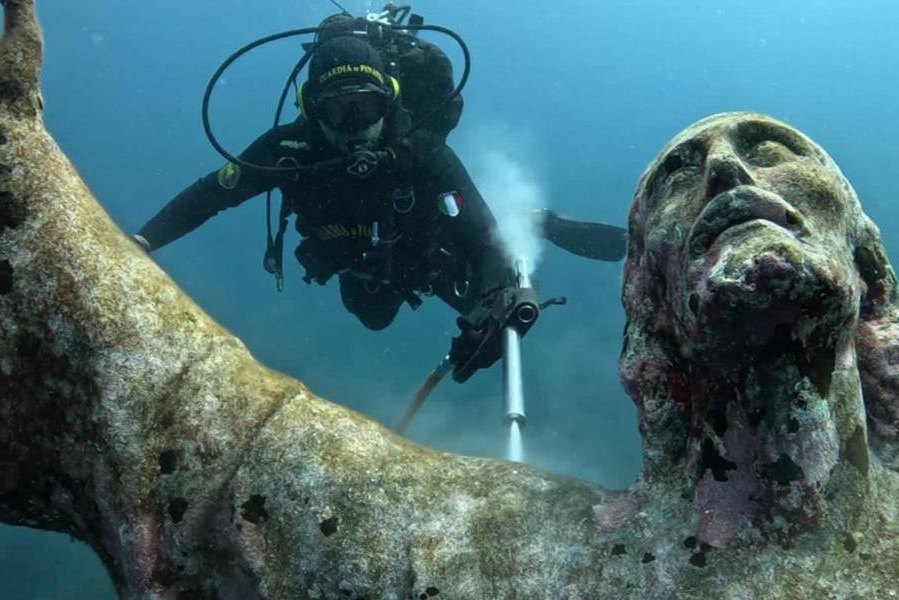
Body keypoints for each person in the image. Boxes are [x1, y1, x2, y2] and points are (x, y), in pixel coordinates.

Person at [134, 18, 625, 379]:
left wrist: (493, 301)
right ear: (312, 110)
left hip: (431, 251)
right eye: (338, 110)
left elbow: (481, 241)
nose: (354, 127)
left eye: (365, 106)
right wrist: (143, 240)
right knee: (373, 318)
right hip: (359, 263)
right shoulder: (288, 150)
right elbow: (207, 196)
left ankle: (527, 220)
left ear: (388, 100)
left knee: (477, 277)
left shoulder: (421, 152)